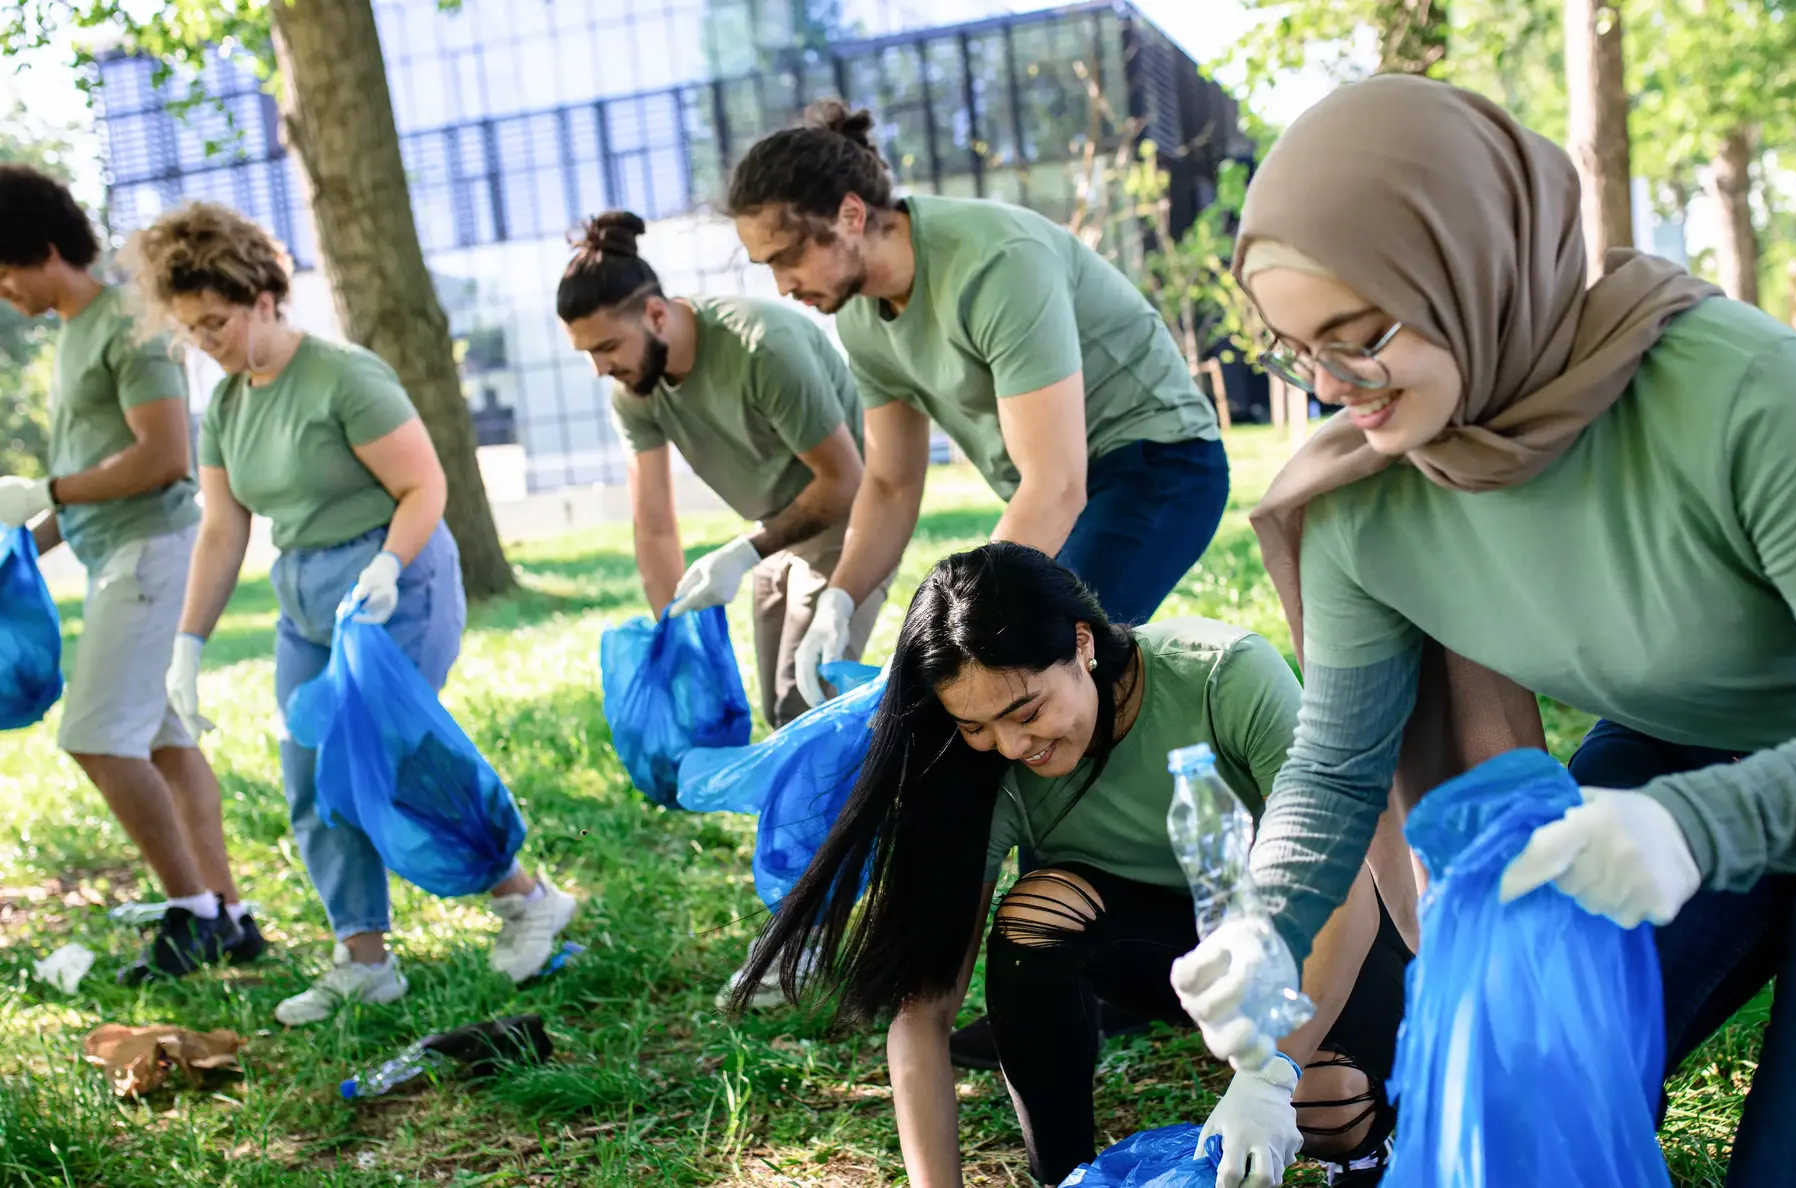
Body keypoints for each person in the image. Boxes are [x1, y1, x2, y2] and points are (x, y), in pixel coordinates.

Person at [1169, 76, 1796, 1188]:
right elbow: (1335, 764)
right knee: (1509, 1042)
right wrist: (1265, 925)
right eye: (1290, 348)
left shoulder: (1743, 394)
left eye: (1357, 332)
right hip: (1684, 746)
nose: (1328, 386)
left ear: (1469, 265)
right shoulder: (1367, 495)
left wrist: (1692, 831)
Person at [728, 543, 1412, 1187]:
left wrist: (1272, 1074)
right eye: (975, 726)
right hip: (1167, 955)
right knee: (1036, 910)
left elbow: (1343, 879)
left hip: (1301, 938)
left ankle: (1366, 1146)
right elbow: (923, 1014)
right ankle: (1062, 1173)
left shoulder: (1222, 675)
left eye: (1023, 710)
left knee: (1328, 1103)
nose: (1010, 745)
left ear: (1082, 644)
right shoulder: (986, 773)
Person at [124, 201, 576, 1025]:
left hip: (393, 575)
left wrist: (388, 567)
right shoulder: (227, 404)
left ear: (264, 297)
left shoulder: (344, 376)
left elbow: (424, 487)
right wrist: (186, 643)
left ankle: (527, 897)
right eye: (190, 330)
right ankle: (363, 958)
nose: (205, 343)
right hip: (305, 593)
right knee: (310, 776)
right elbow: (225, 530)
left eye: (216, 322)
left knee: (388, 761)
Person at [726, 100, 1230, 719]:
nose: (780, 285)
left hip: (1158, 464)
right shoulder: (858, 312)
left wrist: (940, 630)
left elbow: (1055, 485)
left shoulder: (995, 261)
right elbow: (889, 482)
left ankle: (1193, 778)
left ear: (851, 215)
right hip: (1064, 485)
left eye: (787, 256)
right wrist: (840, 599)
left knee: (1026, 668)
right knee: (1004, 677)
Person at [0, 164, 264, 984]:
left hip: (153, 550)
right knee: (164, 740)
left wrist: (44, 491)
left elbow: (163, 459)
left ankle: (193, 911)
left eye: (4, 269)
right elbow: (87, 485)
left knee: (95, 736)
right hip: (118, 546)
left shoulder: (129, 323)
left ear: (45, 249)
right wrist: (28, 534)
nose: (2, 289)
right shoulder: (76, 332)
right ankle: (230, 915)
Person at [556, 210, 894, 726]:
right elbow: (654, 526)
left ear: (655, 315)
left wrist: (745, 552)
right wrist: (676, 641)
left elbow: (845, 480)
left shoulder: (761, 348)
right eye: (587, 354)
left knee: (808, 705)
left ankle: (894, 795)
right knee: (780, 711)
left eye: (607, 347)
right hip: (781, 527)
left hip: (856, 517)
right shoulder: (636, 392)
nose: (601, 370)